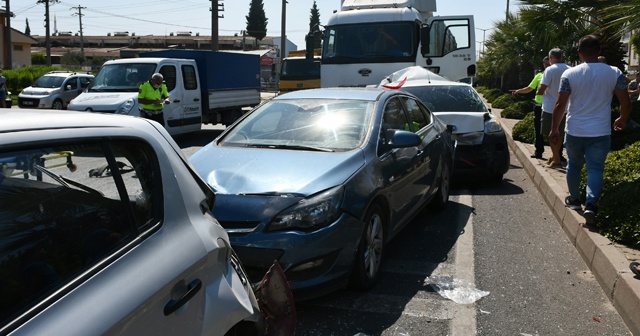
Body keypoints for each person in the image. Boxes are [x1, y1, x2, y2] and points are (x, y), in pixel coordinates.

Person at [548, 35, 630, 224]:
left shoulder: (569, 74)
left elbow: (560, 104)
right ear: (599, 51)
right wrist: (622, 119)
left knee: (574, 166)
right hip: (600, 132)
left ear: (579, 53)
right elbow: (625, 102)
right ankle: (591, 205)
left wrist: (554, 129)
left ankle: (575, 199)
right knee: (595, 169)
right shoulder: (614, 72)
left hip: (575, 130)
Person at [510, 56, 550, 159]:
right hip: (539, 105)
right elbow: (529, 88)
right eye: (545, 64)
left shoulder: (558, 74)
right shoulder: (539, 75)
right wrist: (518, 91)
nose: (547, 66)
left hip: (552, 106)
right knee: (538, 129)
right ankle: (539, 151)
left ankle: (558, 154)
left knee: (555, 129)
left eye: (549, 63)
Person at [537, 48, 570, 168]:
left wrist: (539, 92)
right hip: (565, 107)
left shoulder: (549, 70)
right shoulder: (569, 69)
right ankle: (554, 155)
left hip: (550, 107)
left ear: (551, 58)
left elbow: (542, 89)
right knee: (560, 133)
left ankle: (556, 159)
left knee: (550, 133)